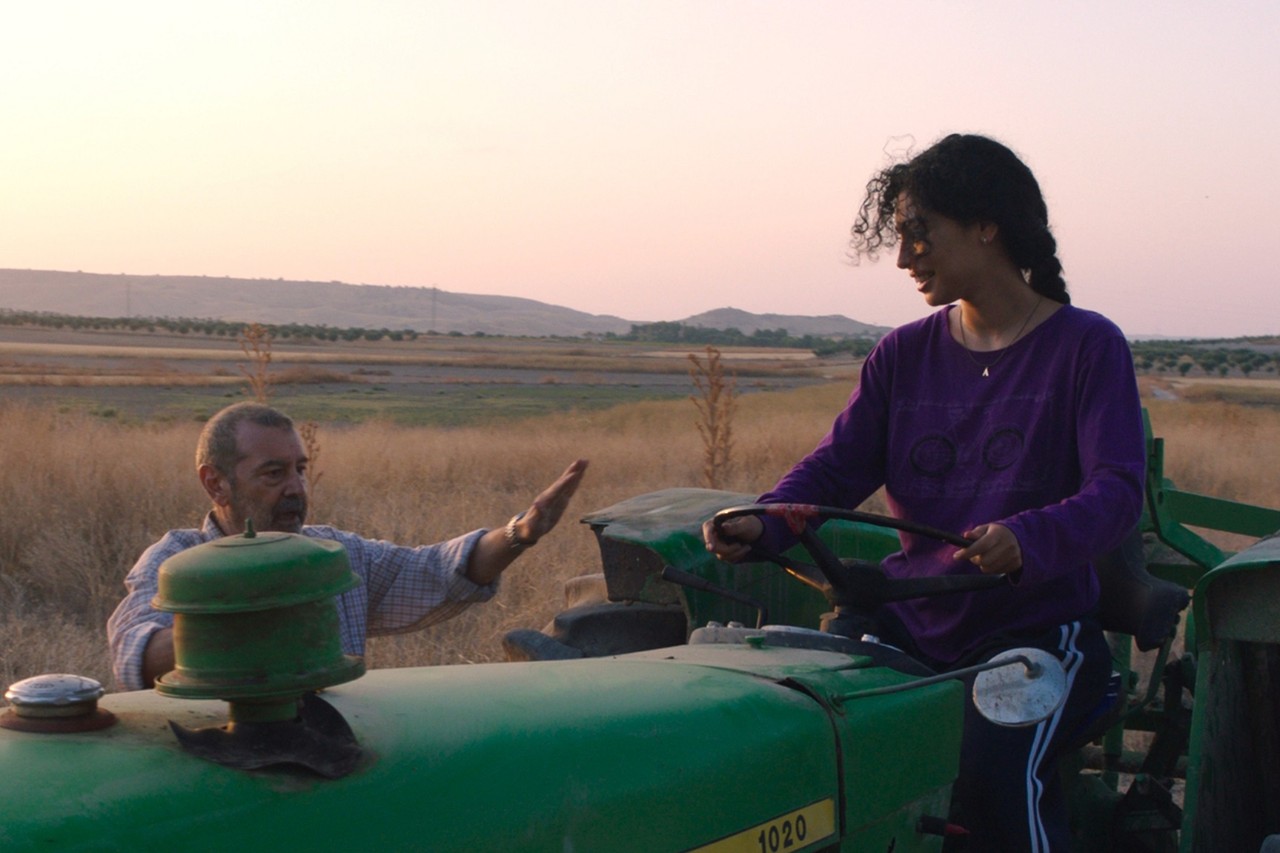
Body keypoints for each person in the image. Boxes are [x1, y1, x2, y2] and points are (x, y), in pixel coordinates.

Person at [703, 133, 1145, 852]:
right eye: (900, 238)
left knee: (994, 773)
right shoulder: (902, 354)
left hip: (1030, 629)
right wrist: (769, 520)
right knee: (807, 737)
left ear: (985, 224)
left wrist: (1027, 537)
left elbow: (1118, 489)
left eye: (918, 233)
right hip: (909, 624)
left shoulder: (1086, 347)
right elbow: (835, 468)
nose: (904, 256)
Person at [108, 401, 588, 692]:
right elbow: (133, 653)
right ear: (215, 484)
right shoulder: (176, 561)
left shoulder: (333, 554)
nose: (296, 488)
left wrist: (519, 535)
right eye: (273, 474)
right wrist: (249, 614)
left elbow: (434, 570)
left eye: (299, 468)